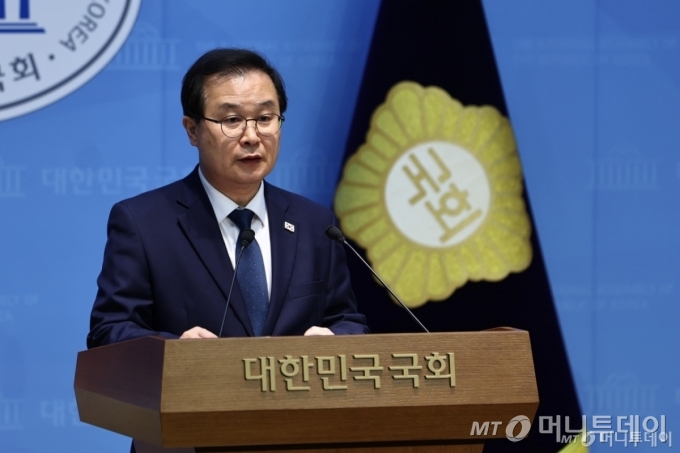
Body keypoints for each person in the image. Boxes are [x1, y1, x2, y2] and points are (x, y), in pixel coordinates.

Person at [87, 48, 368, 349]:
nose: (251, 136)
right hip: (194, 381)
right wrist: (175, 348)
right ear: (192, 130)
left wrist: (335, 340)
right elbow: (109, 330)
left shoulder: (315, 223)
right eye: (232, 120)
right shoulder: (144, 224)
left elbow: (347, 320)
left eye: (265, 118)